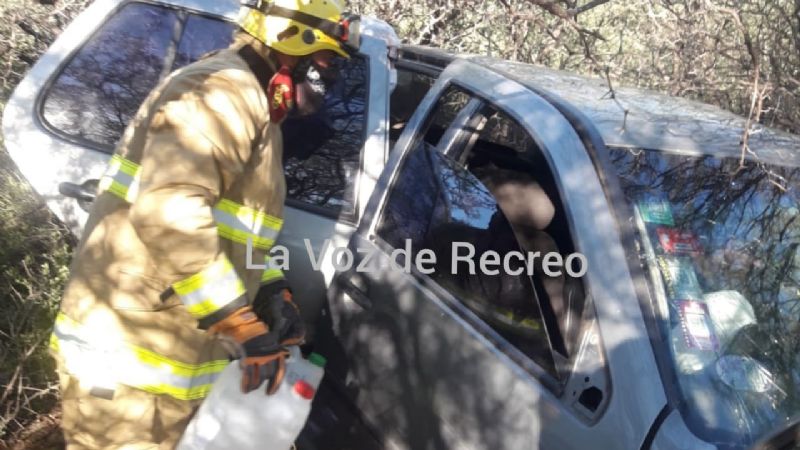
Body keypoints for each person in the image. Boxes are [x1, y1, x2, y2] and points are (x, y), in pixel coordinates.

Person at [49, 0, 359, 448]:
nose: (329, 77)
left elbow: (236, 231)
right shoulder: (222, 93)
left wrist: (271, 291)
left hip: (165, 357)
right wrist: (237, 319)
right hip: (126, 359)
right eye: (328, 60)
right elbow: (170, 208)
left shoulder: (256, 107)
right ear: (292, 43)